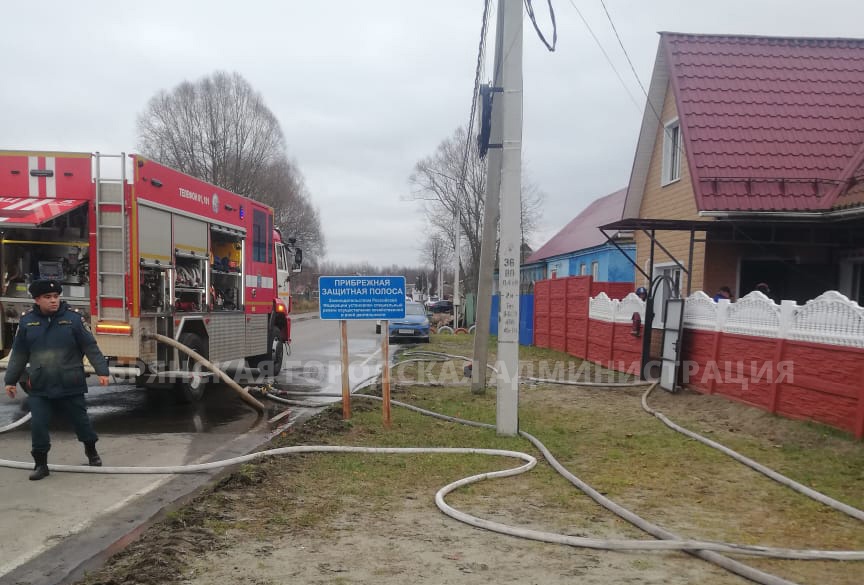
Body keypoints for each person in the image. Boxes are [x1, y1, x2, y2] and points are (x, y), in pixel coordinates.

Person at [4, 279, 110, 481]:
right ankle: (41, 464)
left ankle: (91, 451)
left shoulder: (73, 320)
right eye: (48, 297)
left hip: (70, 383)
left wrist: (102, 371)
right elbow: (19, 354)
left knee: (81, 422)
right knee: (39, 426)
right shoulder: (27, 322)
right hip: (40, 385)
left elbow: (90, 347)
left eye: (56, 297)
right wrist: (10, 380)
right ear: (37, 300)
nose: (53, 301)